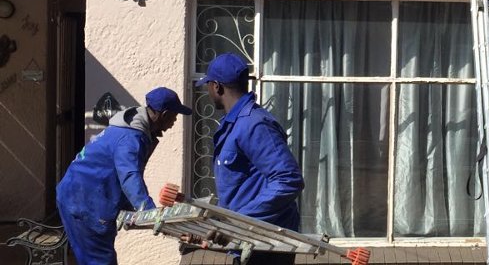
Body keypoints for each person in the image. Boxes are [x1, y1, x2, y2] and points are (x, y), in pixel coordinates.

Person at [187, 53, 304, 265]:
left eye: (208, 85)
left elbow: (288, 180)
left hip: (265, 245)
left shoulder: (254, 124)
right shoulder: (234, 125)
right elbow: (240, 186)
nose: (207, 91)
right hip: (246, 241)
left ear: (217, 87)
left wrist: (238, 222)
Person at [56, 87, 192, 265]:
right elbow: (130, 177)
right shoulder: (130, 138)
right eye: (174, 116)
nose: (174, 122)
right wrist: (149, 213)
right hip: (83, 202)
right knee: (100, 261)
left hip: (84, 196)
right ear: (163, 114)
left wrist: (132, 211)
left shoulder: (134, 131)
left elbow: (121, 175)